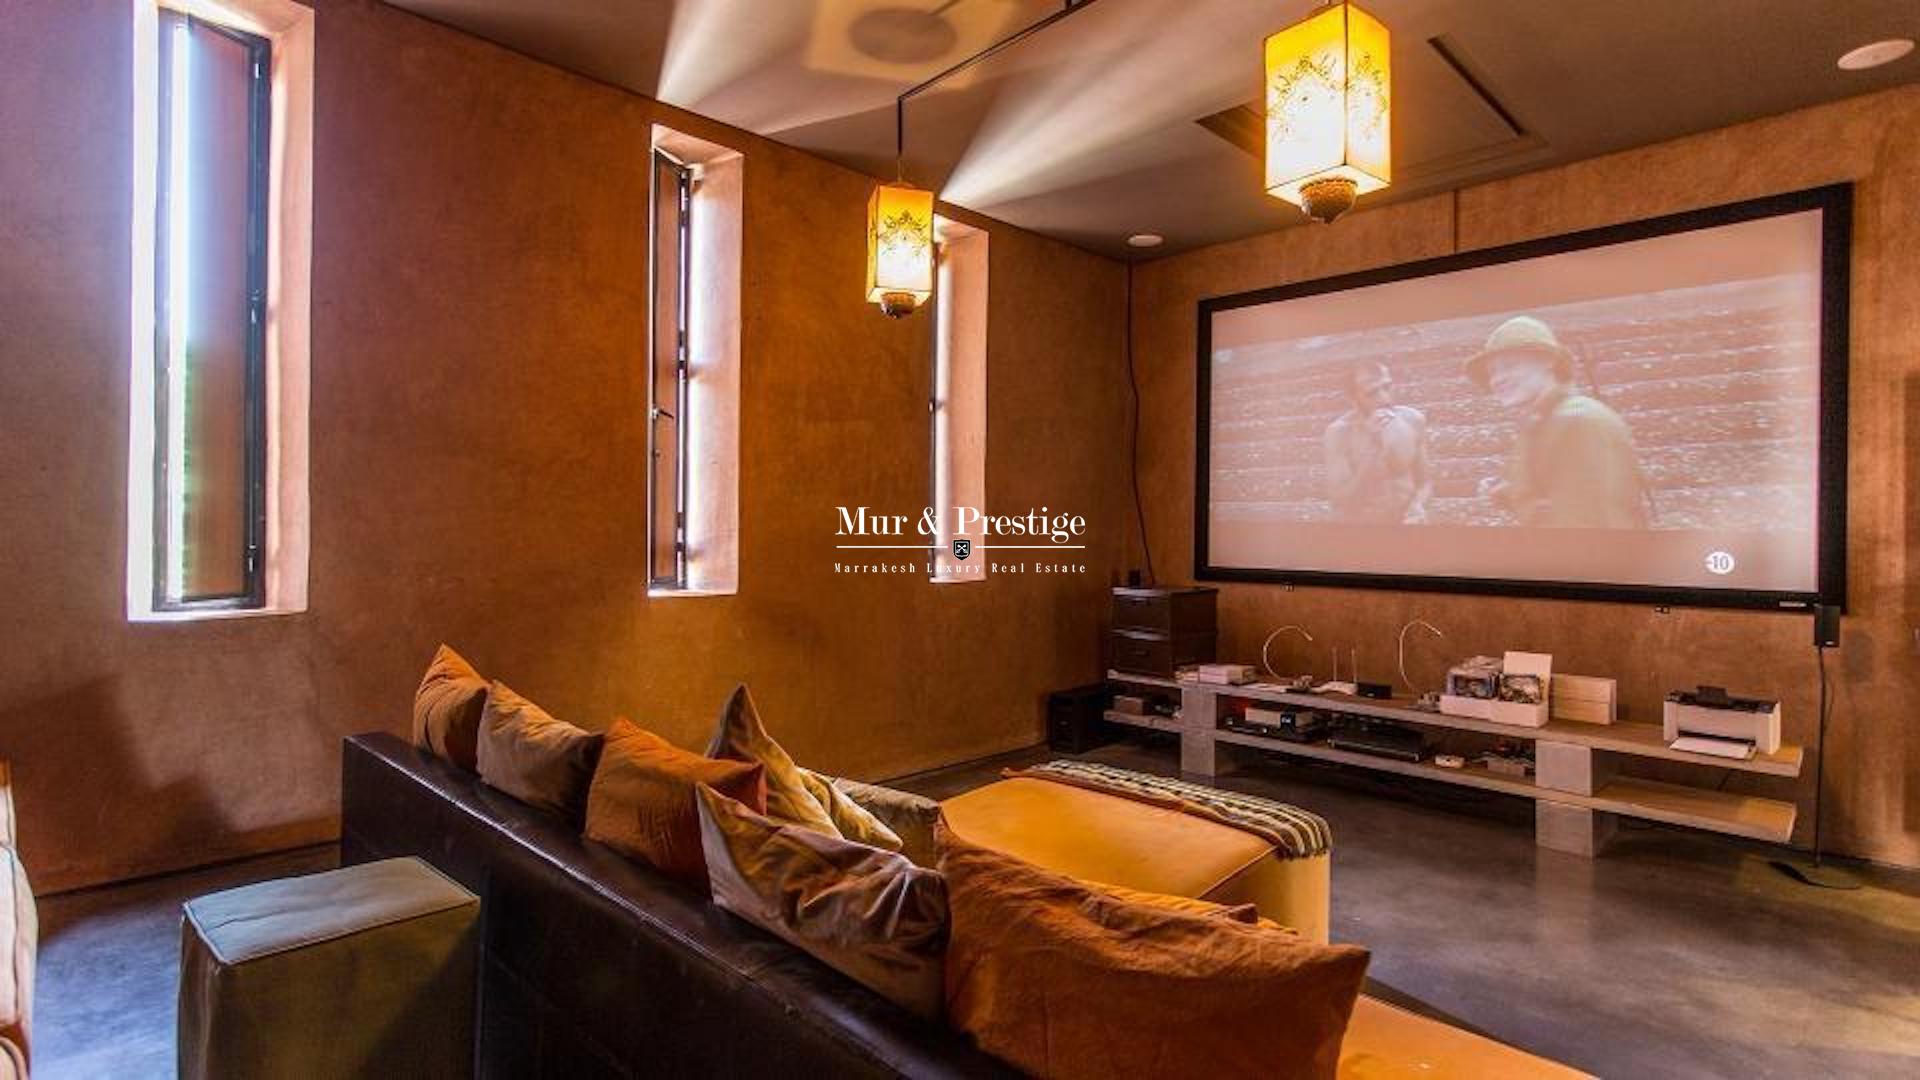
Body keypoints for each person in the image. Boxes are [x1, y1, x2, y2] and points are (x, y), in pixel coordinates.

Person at [1467, 316, 1649, 528]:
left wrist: (1521, 497)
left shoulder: (1577, 422)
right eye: (1492, 371)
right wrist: (1509, 491)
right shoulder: (1542, 421)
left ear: (1548, 360)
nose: (1498, 379)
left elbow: (1586, 527)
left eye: (1510, 365)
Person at [1322, 359, 1432, 523]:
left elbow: (1424, 483)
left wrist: (1418, 506)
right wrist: (1373, 446)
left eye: (1387, 387)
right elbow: (1342, 500)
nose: (1384, 399)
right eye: (1371, 393)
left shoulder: (1413, 420)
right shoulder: (1339, 433)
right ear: (1353, 398)